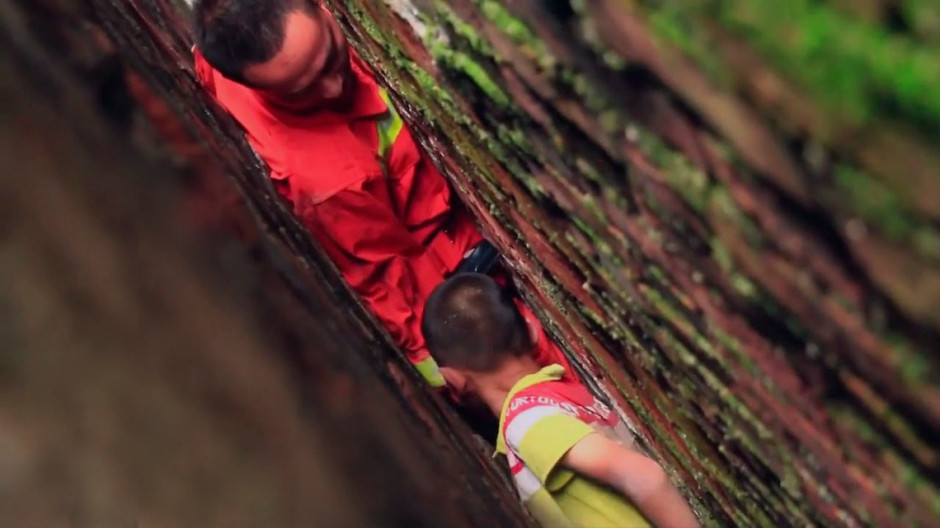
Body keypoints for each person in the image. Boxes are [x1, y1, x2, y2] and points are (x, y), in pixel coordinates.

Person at [190, 0, 570, 387]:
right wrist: (471, 369)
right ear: (252, 84)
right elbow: (397, 289)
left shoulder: (230, 37)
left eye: (330, 57)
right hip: (447, 258)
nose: (334, 87)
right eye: (301, 92)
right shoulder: (329, 184)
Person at [422, 273, 701, 528]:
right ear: (532, 330)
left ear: (454, 380)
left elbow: (644, 477)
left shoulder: (526, 422)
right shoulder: (563, 394)